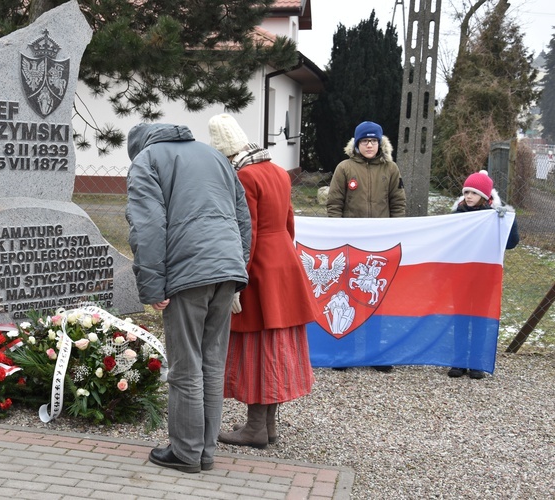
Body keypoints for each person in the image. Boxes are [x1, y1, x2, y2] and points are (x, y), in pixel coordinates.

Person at [125, 122, 251, 473]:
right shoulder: (214, 156)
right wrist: (236, 265)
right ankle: (204, 452)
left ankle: (185, 452)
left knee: (185, 366)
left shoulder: (146, 160)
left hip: (187, 273)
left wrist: (153, 285)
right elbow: (243, 218)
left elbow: (147, 225)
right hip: (226, 271)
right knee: (211, 362)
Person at [207, 114, 316, 449]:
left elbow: (246, 232)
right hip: (284, 260)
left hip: (258, 269)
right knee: (277, 344)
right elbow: (289, 222)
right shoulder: (278, 171)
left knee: (258, 348)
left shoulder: (244, 176)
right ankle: (266, 425)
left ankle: (255, 428)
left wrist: (237, 279)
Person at [326, 120, 406, 372]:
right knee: (349, 296)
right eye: (364, 141)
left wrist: (395, 231)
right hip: (351, 244)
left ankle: (375, 354)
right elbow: (335, 203)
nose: (369, 145)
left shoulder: (390, 169)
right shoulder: (345, 168)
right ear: (357, 144)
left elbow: (398, 203)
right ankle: (344, 352)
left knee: (376, 298)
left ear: (380, 144)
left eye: (373, 141)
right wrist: (338, 234)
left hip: (380, 245)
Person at [447, 170, 519, 379]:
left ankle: (477, 362)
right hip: (460, 275)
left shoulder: (496, 215)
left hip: (484, 275)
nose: (468, 196)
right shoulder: (457, 214)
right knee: (460, 318)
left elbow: (512, 243)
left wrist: (508, 220)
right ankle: (459, 361)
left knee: (479, 319)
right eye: (466, 191)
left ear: (485, 196)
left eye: (474, 192)